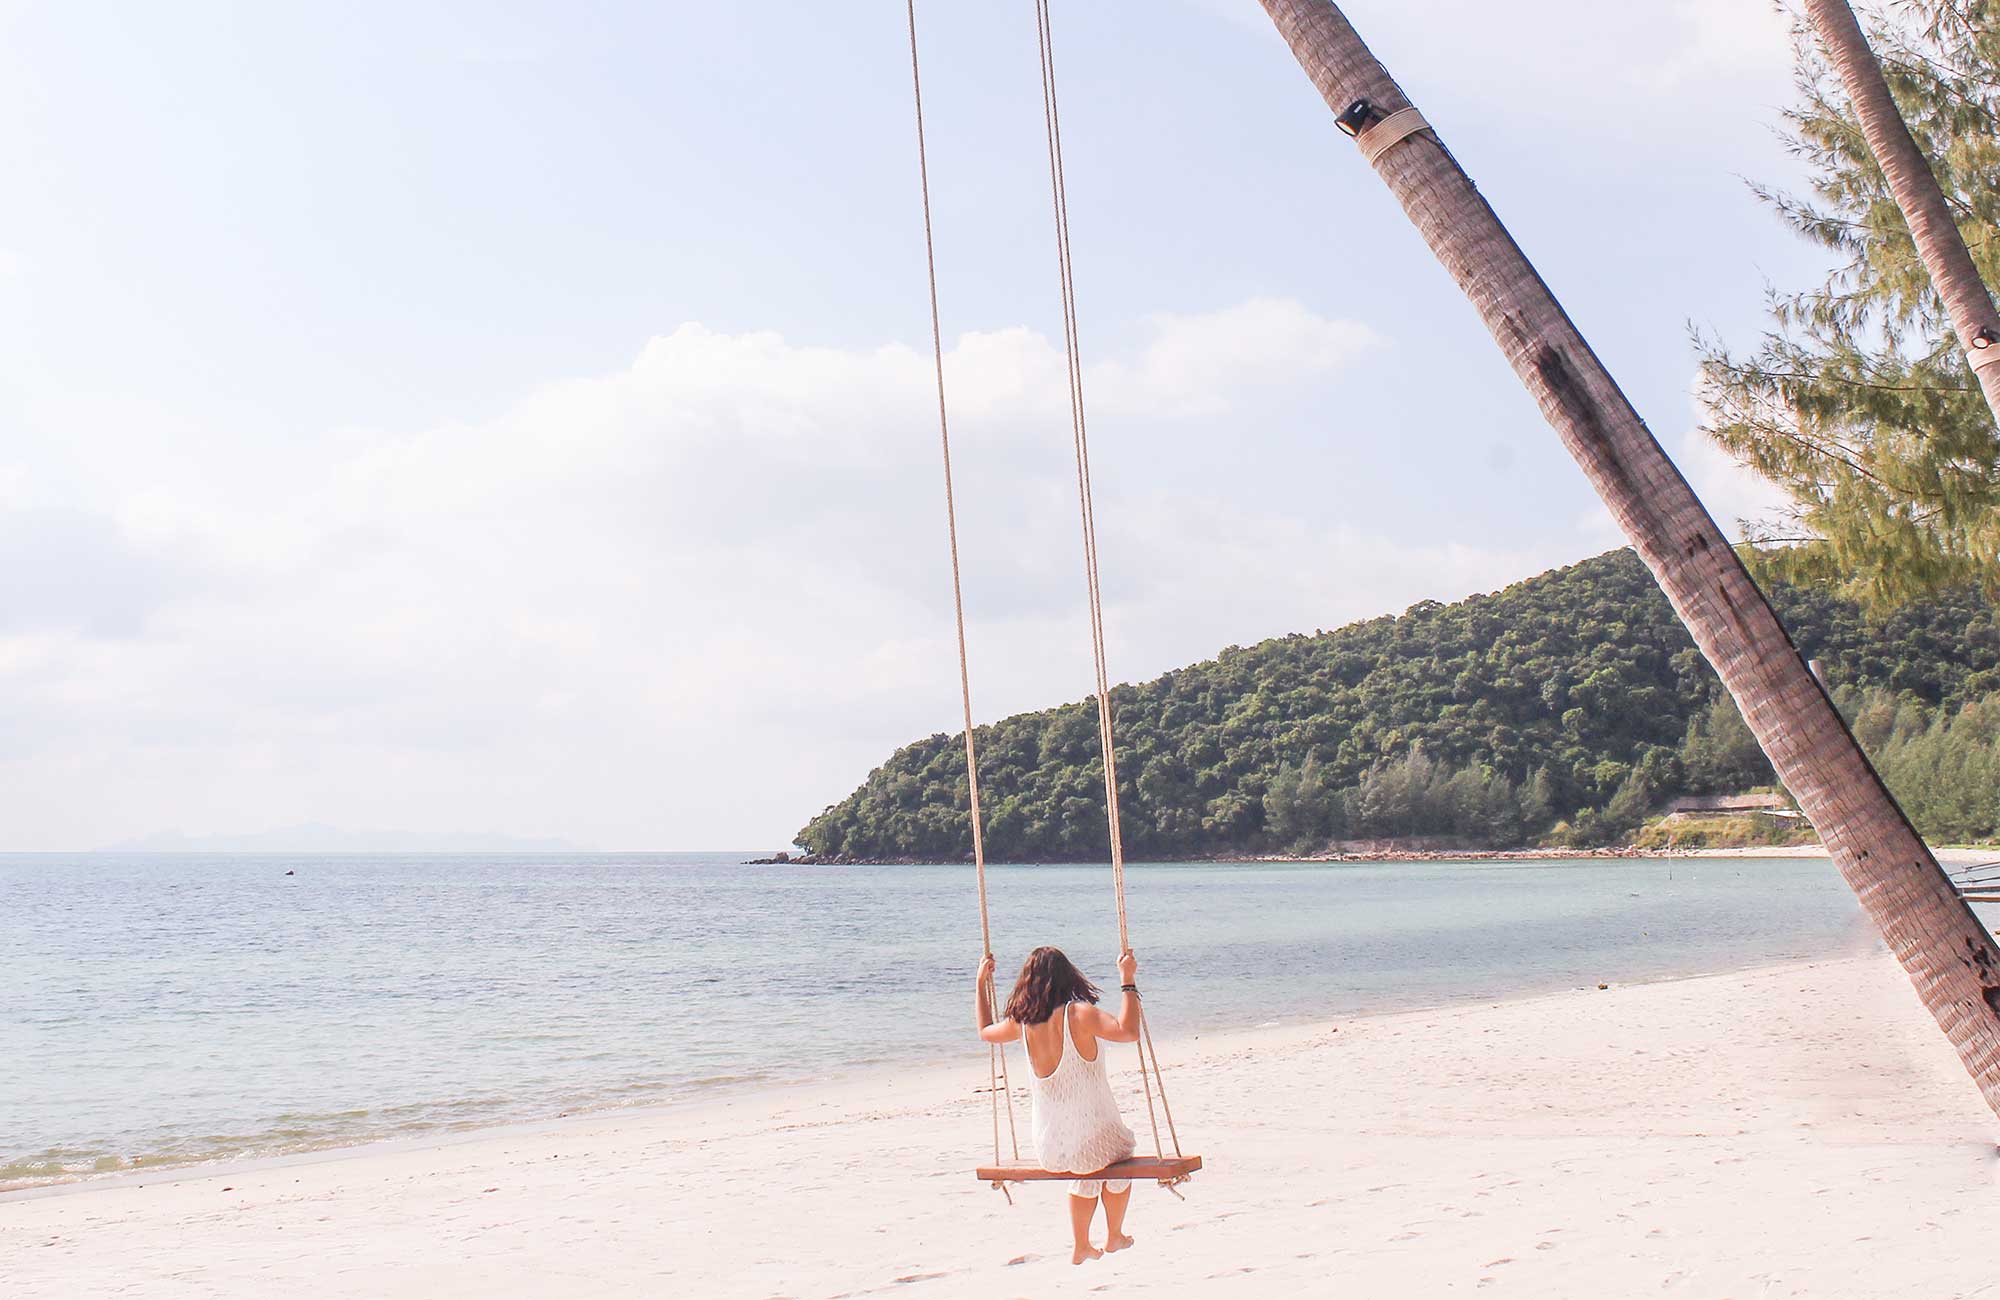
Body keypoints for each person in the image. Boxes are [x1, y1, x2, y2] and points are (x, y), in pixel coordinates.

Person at [975, 945, 1142, 1265]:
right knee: (1119, 1152)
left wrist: (980, 982)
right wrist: (1128, 980)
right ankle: (1114, 1234)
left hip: (1049, 1147)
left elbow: (984, 1032)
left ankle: (1082, 1244)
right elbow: (1129, 1032)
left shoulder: (1021, 1023)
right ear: (1069, 976)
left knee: (1089, 1160)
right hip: (1092, 1143)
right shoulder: (1079, 1014)